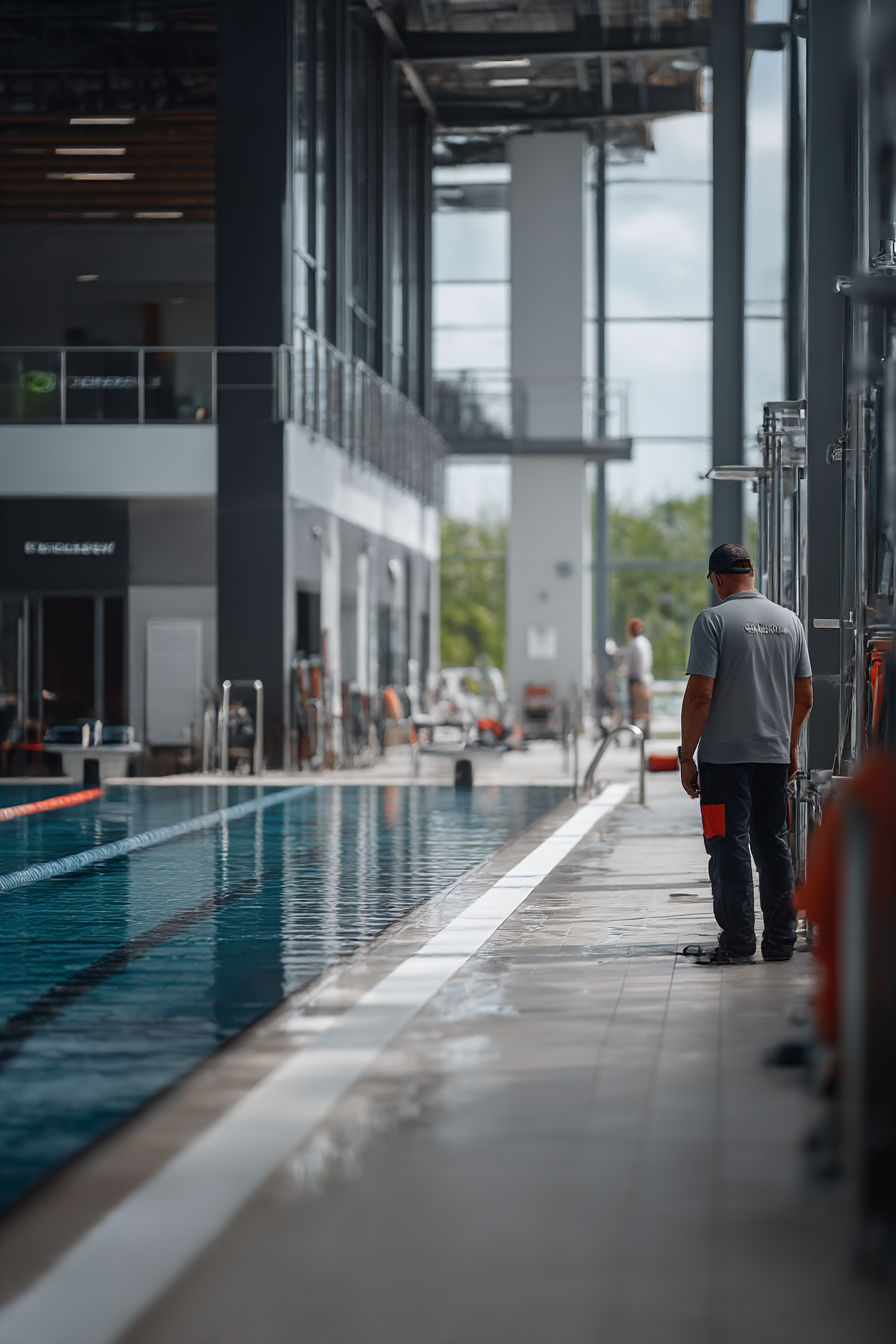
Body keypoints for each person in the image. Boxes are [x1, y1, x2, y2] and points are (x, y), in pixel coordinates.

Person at [678, 542, 813, 965]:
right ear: (751, 574)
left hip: (723, 762)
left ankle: (737, 943)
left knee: (726, 843)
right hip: (772, 757)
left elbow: (700, 694)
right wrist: (789, 747)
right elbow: (804, 697)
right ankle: (780, 942)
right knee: (772, 843)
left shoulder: (712, 621)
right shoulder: (790, 622)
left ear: (717, 579)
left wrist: (687, 756)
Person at [622, 617, 653, 740]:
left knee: (636, 710)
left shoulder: (634, 644)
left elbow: (633, 664)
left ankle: (636, 735)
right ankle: (646, 733)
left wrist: (638, 680)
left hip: (637, 680)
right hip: (646, 679)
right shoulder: (645, 642)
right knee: (645, 708)